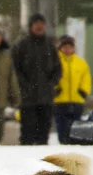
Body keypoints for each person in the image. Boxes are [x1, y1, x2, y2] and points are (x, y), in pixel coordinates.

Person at [12, 13, 62, 145]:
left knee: (43, 133)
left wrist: (51, 84)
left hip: (46, 98)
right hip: (28, 98)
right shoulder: (21, 45)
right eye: (36, 24)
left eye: (42, 24)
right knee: (27, 133)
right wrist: (25, 87)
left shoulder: (50, 46)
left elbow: (58, 69)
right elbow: (16, 70)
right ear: (30, 26)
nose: (39, 27)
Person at [53, 35, 92, 144]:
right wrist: (55, 90)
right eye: (64, 47)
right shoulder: (56, 61)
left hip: (77, 100)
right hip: (60, 101)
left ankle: (75, 143)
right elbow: (51, 77)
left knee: (76, 127)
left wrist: (83, 91)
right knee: (62, 126)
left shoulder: (81, 63)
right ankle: (63, 142)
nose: (67, 50)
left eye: (70, 47)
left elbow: (86, 78)